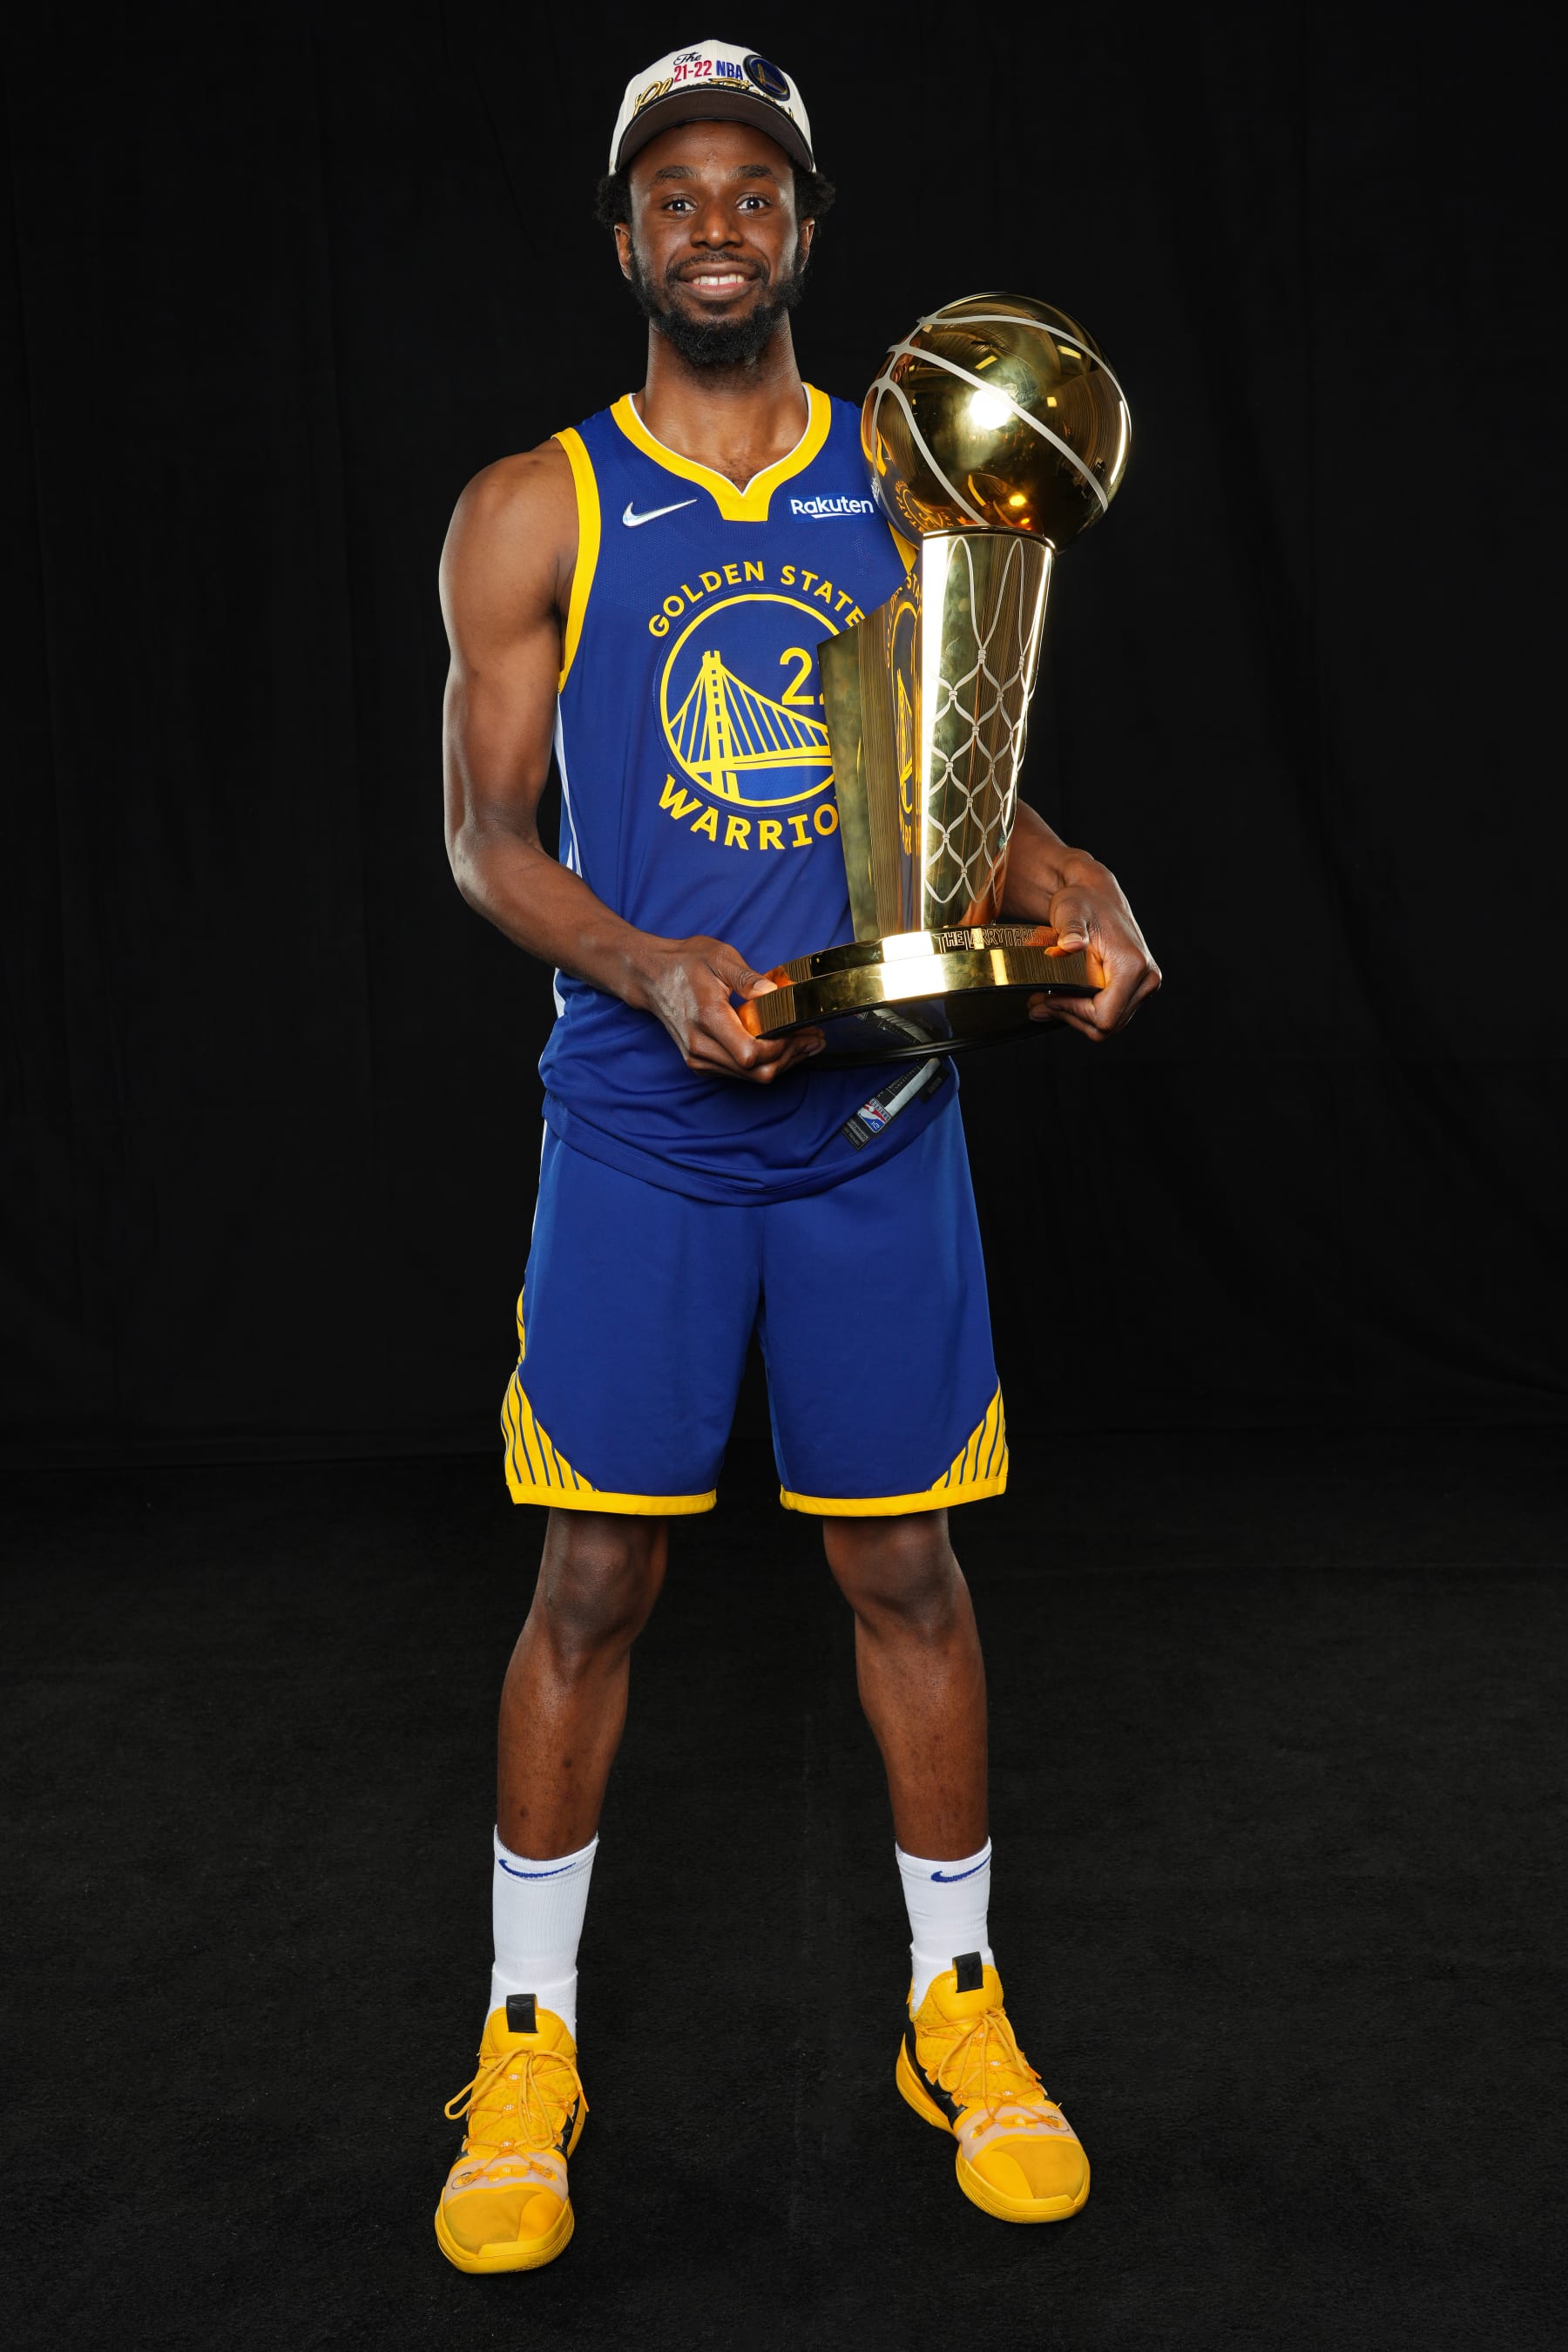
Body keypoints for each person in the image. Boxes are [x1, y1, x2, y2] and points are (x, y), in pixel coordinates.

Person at [434, 38, 1159, 2274]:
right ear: (628, 235)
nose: (718, 220)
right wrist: (644, 963)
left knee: (910, 1572)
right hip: (642, 1129)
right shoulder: (534, 504)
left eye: (756, 188)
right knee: (587, 1584)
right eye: (677, 192)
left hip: (871, 1129)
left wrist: (1081, 887)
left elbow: (959, 778)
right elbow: (480, 836)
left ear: (808, 230)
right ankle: (525, 2034)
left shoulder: (912, 471)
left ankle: (960, 2006)